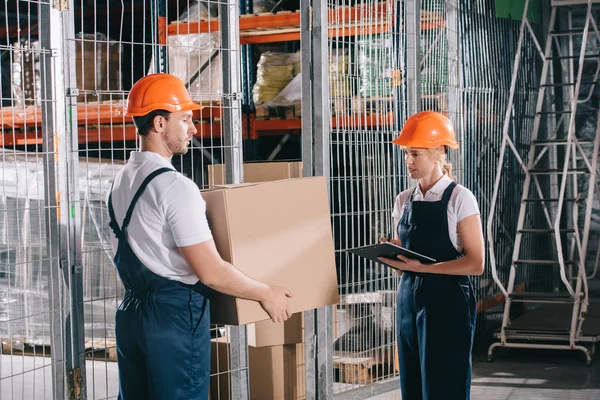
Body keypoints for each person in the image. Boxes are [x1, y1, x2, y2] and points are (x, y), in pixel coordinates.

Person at [107, 73, 293, 400]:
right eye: (187, 119)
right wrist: (266, 292)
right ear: (160, 123)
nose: (194, 129)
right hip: (173, 320)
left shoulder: (122, 179)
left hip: (131, 317)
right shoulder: (175, 187)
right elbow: (211, 271)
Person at [380, 111, 485, 400]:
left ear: (438, 153)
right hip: (408, 302)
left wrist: (424, 268)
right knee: (412, 385)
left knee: (444, 385)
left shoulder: (460, 198)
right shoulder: (404, 199)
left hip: (447, 303)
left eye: (415, 153)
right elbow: (404, 264)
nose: (408, 161)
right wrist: (391, 255)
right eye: (405, 153)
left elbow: (476, 263)